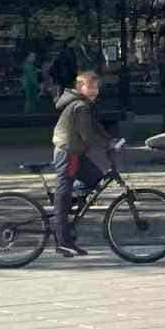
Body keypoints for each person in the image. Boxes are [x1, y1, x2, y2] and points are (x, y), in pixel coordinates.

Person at [50, 68, 114, 259]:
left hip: (76, 153)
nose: (95, 91)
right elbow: (87, 134)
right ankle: (63, 241)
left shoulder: (85, 105)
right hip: (69, 154)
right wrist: (107, 145)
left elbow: (96, 127)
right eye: (90, 87)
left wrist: (111, 140)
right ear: (80, 87)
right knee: (64, 194)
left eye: (97, 87)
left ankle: (70, 202)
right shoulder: (80, 106)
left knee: (96, 179)